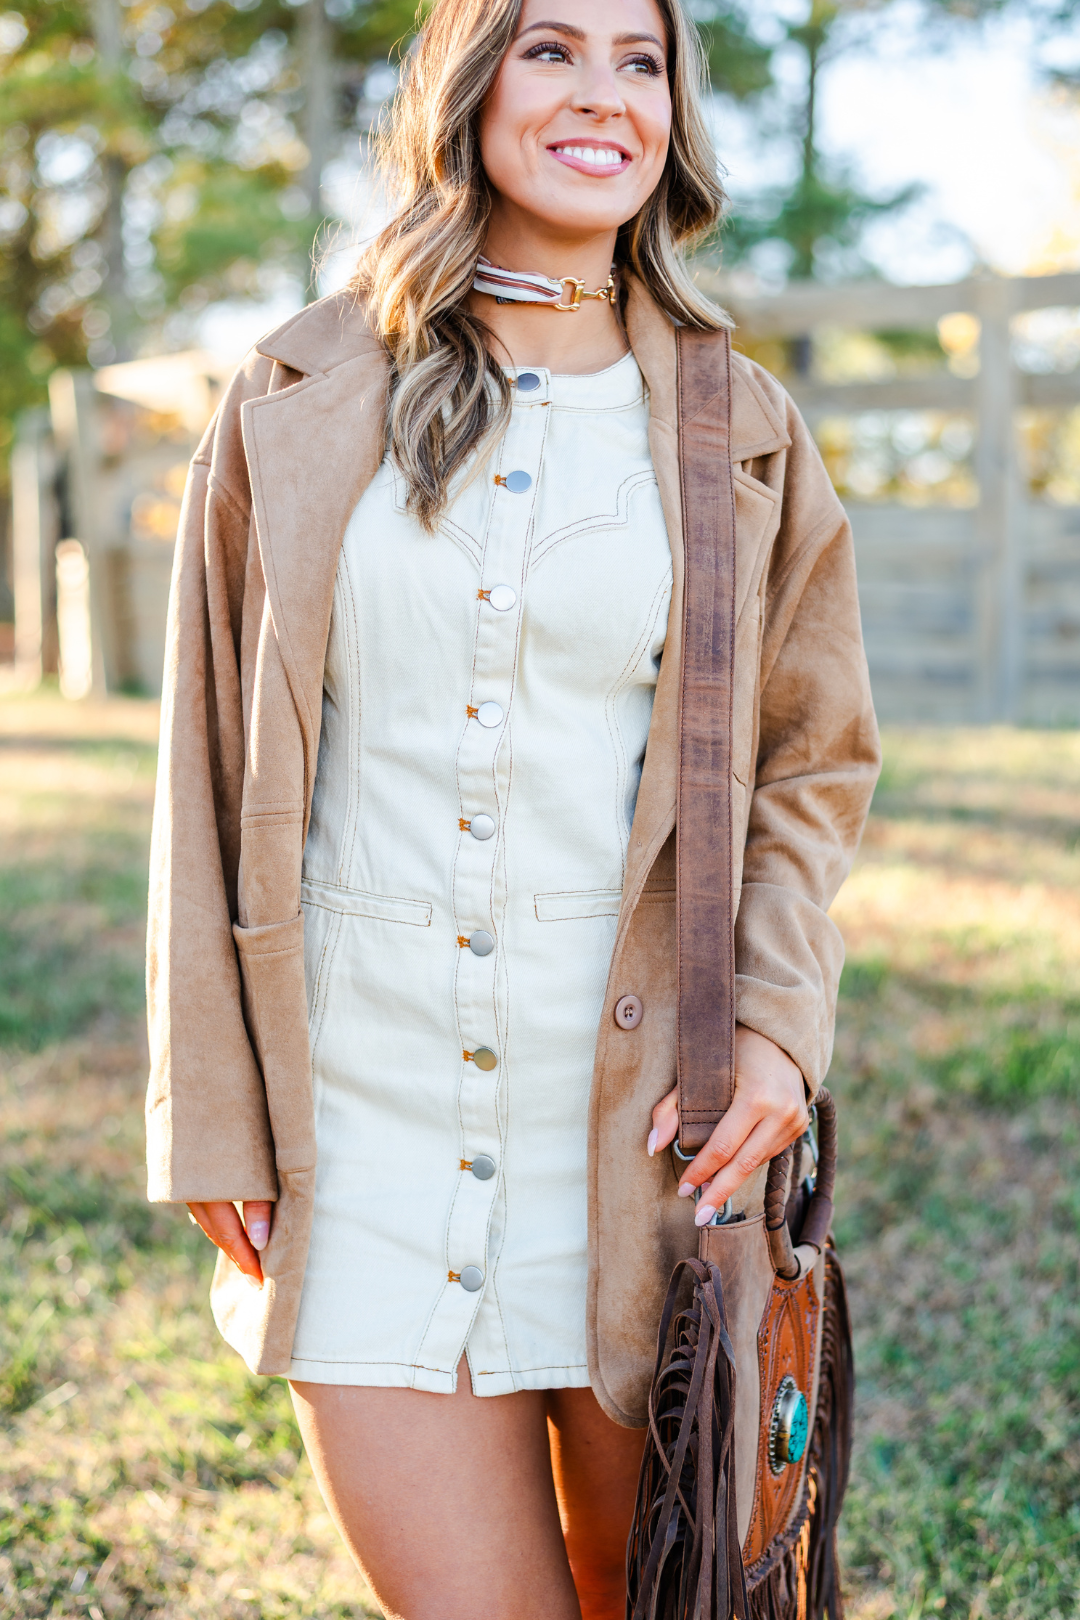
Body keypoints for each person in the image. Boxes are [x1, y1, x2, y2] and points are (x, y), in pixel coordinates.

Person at [144, 0, 879, 1616]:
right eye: (552, 49)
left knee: (672, 1597)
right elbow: (204, 759)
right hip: (364, 1125)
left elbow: (814, 764)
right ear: (468, 85)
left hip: (645, 1137)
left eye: (641, 59)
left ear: (676, 115)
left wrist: (773, 1019)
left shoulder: (739, 428)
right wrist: (208, 1099)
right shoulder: (300, 389)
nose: (602, 94)